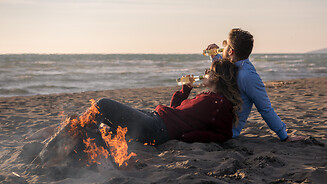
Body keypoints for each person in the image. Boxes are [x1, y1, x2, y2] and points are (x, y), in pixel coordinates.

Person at [30, 59, 242, 145]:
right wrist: (184, 91)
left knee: (103, 104)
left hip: (158, 129)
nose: (204, 73)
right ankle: (69, 132)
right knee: (103, 118)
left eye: (209, 71)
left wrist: (187, 137)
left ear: (217, 78)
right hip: (157, 118)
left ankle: (68, 136)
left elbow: (222, 135)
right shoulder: (208, 98)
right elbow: (177, 110)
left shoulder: (219, 105)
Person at [206, 28, 305, 142]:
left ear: (230, 51)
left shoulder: (249, 76)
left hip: (224, 131)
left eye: (226, 44)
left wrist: (285, 136)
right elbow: (225, 69)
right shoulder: (234, 67)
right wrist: (214, 57)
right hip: (212, 122)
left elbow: (265, 109)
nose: (222, 48)